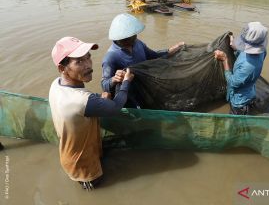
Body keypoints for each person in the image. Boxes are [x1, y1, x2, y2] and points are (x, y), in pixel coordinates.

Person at [49, 36, 134, 190]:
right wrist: (126, 83)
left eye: (88, 58)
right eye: (79, 62)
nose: (88, 65)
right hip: (83, 165)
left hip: (71, 152)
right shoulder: (81, 101)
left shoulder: (56, 84)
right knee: (99, 187)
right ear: (62, 68)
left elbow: (87, 102)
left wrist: (111, 84)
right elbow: (116, 106)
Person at [101, 13, 184, 107]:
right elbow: (104, 85)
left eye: (134, 35)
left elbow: (153, 55)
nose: (134, 38)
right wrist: (114, 79)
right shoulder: (111, 57)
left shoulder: (138, 44)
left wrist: (170, 50)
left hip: (145, 89)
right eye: (130, 37)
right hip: (128, 95)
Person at [214, 22, 268, 115]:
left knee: (235, 123)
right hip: (250, 90)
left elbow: (232, 82)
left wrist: (225, 60)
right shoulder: (262, 52)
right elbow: (245, 52)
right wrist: (234, 45)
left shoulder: (248, 66)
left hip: (240, 102)